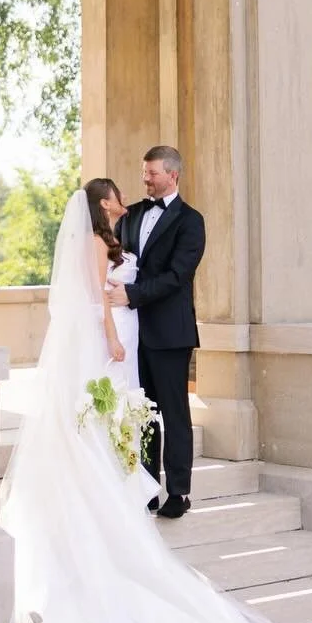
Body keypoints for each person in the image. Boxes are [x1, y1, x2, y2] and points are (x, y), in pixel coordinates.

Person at [0, 180, 305, 623]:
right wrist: (113, 335)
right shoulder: (101, 236)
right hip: (109, 341)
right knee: (108, 424)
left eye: (139, 181)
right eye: (115, 192)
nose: (128, 195)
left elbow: (162, 275)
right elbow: (94, 299)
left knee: (131, 421)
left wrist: (121, 317)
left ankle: (158, 492)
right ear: (102, 204)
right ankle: (117, 502)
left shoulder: (172, 222)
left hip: (139, 336)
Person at [108, 146, 203, 519]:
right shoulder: (130, 217)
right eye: (144, 172)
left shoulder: (191, 221)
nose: (145, 179)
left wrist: (131, 295)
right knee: (140, 413)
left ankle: (178, 493)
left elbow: (178, 276)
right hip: (133, 334)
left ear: (173, 175)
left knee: (174, 414)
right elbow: (120, 260)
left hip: (170, 333)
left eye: (152, 173)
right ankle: (146, 487)